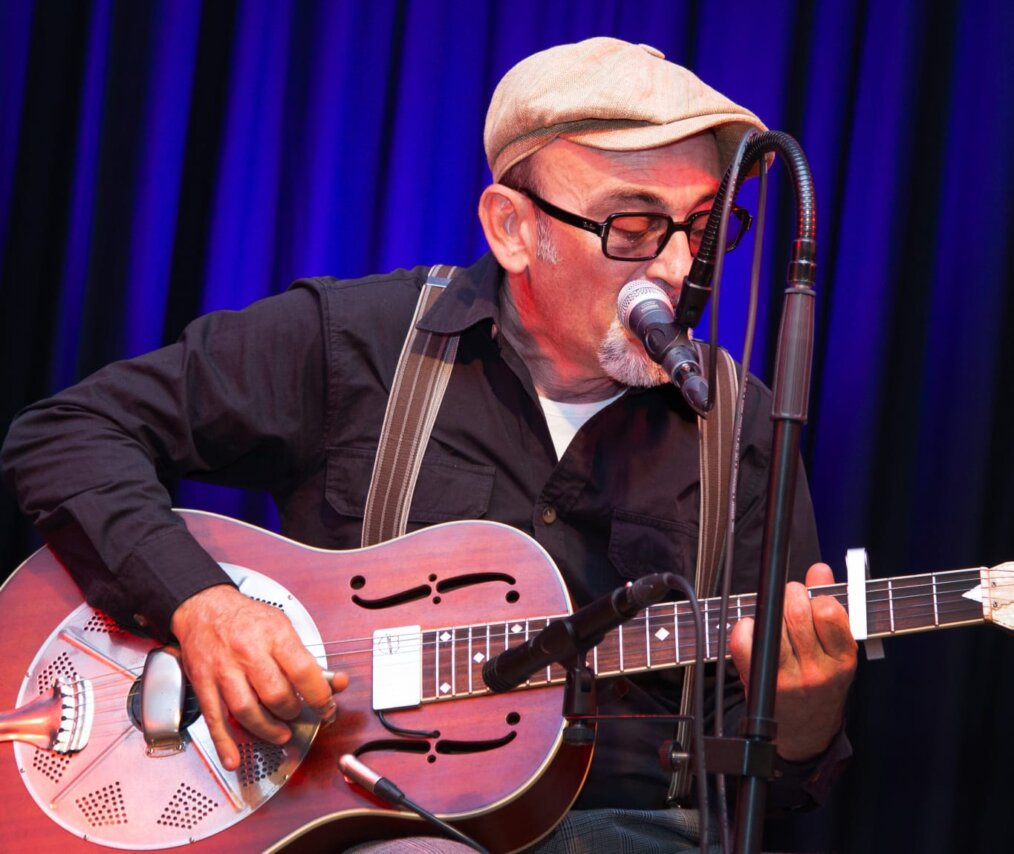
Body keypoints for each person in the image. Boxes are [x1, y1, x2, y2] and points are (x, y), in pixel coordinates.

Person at [2, 37, 856, 851]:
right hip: (354, 819)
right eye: (631, 226)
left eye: (702, 228)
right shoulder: (359, 344)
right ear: (514, 228)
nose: (674, 268)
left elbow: (764, 776)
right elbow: (66, 434)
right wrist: (202, 605)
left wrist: (806, 716)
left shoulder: (740, 427)